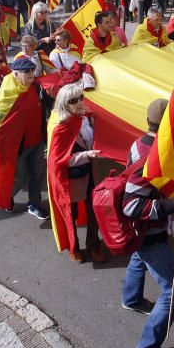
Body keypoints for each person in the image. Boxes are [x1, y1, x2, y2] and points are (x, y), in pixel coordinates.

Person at [121, 105, 174, 348]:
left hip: (141, 234)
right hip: (150, 234)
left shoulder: (139, 144)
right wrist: (171, 206)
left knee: (138, 259)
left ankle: (131, 300)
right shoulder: (153, 158)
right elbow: (130, 206)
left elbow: (163, 180)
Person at [46, 84, 109, 264]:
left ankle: (94, 245)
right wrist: (85, 155)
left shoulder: (84, 118)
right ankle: (74, 247)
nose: (80, 102)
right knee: (71, 215)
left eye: (81, 97)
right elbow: (57, 161)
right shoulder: (61, 127)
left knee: (94, 211)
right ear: (64, 105)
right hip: (71, 180)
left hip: (90, 174)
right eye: (73, 100)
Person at [0, 58, 48, 218]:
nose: (31, 74)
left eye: (32, 70)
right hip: (18, 147)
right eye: (26, 72)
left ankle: (34, 204)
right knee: (19, 177)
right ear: (15, 74)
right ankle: (6, 197)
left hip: (37, 141)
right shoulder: (8, 94)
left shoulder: (36, 87)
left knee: (37, 176)